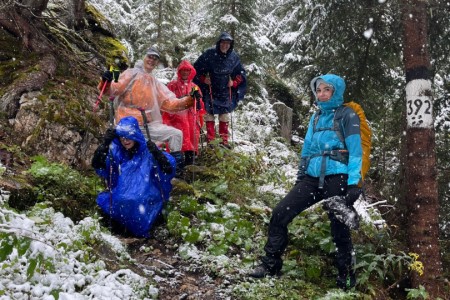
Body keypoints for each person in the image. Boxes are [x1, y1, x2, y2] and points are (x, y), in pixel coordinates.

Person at [249, 74, 363, 291]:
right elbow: (307, 149)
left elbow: (356, 151)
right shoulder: (316, 117)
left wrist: (353, 184)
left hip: (337, 175)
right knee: (281, 212)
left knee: (339, 227)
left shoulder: (347, 115)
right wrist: (301, 176)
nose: (321, 94)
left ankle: (346, 278)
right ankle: (270, 264)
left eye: (326, 90)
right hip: (312, 178)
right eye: (318, 90)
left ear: (335, 91)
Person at [99, 47, 195, 176]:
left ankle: (175, 173)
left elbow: (170, 104)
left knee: (175, 134)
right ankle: (123, 175)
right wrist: (106, 80)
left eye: (155, 58)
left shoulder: (154, 82)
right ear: (143, 57)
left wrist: (191, 98)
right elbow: (113, 90)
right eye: (150, 56)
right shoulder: (130, 73)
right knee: (136, 153)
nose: (152, 60)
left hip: (147, 126)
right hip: (127, 123)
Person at [92, 116, 175, 238]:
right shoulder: (117, 151)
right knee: (123, 201)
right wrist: (104, 144)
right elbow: (97, 164)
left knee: (134, 201)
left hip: (147, 193)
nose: (125, 140)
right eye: (122, 137)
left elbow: (168, 169)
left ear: (135, 135)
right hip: (122, 194)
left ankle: (136, 226)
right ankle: (128, 227)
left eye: (128, 136)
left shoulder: (147, 150)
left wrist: (157, 154)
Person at [193, 32, 247, 147]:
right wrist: (203, 79)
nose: (225, 45)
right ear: (219, 43)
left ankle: (224, 142)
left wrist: (234, 82)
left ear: (230, 45)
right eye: (223, 43)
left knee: (224, 116)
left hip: (225, 92)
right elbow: (196, 69)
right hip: (210, 90)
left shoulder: (233, 57)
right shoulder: (209, 54)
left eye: (228, 43)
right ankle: (211, 142)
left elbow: (241, 73)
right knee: (209, 115)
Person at [164, 60, 205, 165]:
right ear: (179, 72)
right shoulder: (172, 85)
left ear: (191, 71)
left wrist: (197, 100)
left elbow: (199, 106)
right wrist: (182, 100)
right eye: (183, 70)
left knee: (191, 138)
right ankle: (177, 165)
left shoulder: (194, 87)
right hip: (176, 119)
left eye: (187, 70)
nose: (185, 72)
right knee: (179, 139)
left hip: (191, 118)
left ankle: (190, 163)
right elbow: (167, 102)